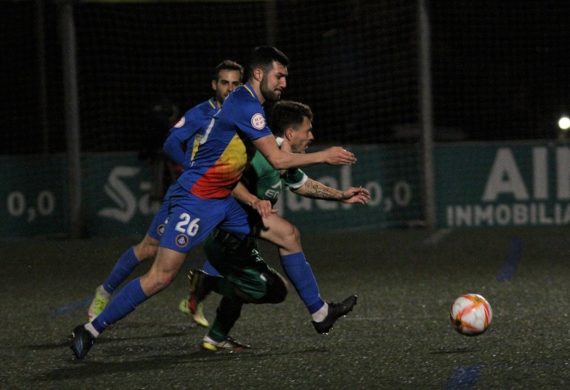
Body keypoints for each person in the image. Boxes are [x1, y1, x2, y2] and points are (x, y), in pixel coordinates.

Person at [70, 45, 357, 359]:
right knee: (160, 276)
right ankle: (91, 329)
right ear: (259, 73)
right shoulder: (245, 105)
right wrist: (325, 156)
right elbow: (276, 159)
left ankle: (319, 312)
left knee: (288, 235)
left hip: (225, 200)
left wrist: (335, 194)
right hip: (196, 200)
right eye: (279, 75)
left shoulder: (250, 106)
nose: (284, 83)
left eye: (286, 77)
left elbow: (269, 155)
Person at [186, 100, 370, 351]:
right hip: (224, 236)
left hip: (241, 236)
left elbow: (303, 184)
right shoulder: (263, 156)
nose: (312, 136)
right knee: (278, 271)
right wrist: (253, 200)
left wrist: (340, 195)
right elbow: (227, 181)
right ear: (291, 133)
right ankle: (209, 284)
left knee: (280, 256)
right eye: (308, 130)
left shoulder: (283, 158)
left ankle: (216, 336)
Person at [86, 59, 244, 321]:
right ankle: (104, 291)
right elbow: (172, 143)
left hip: (220, 197)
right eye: (224, 83)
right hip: (189, 196)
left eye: (235, 84)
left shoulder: (245, 115)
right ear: (214, 85)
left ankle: (195, 298)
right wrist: (189, 166)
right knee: (149, 248)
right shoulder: (199, 114)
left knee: (233, 243)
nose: (229, 89)